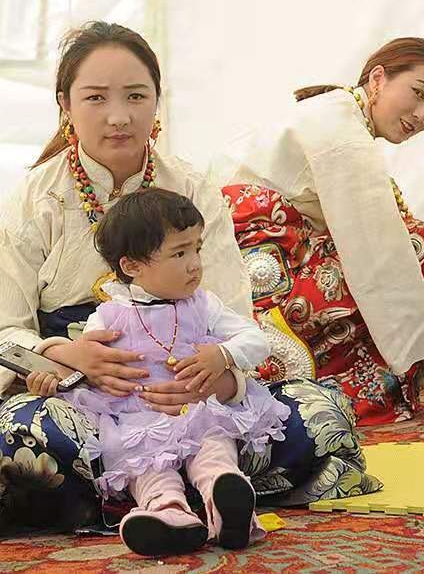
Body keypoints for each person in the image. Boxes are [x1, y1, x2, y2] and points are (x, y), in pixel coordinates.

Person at [0, 21, 379, 531]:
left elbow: (233, 316)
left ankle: (179, 489)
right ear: (66, 105)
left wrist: (218, 378)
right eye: (95, 98)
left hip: (195, 393)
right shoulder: (33, 198)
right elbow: (1, 334)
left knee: (322, 412)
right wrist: (65, 358)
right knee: (24, 436)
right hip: (93, 403)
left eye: (136, 96)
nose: (119, 116)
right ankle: (190, 490)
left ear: (156, 101)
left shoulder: (192, 188)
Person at [218, 37, 424, 426]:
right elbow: (380, 256)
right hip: (261, 288)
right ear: (378, 79)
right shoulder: (341, 132)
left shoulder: (335, 114)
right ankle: (349, 392)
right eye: (418, 93)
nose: (422, 115)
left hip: (245, 283)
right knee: (423, 246)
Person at [44, 188, 288, 555]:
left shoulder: (203, 305)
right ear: (132, 266)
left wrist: (223, 355)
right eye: (179, 253)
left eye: (197, 249)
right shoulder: (107, 317)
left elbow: (256, 340)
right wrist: (58, 371)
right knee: (146, 466)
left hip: (199, 411)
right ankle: (167, 514)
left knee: (213, 448)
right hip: (138, 420)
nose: (195, 264)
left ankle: (226, 500)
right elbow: (84, 368)